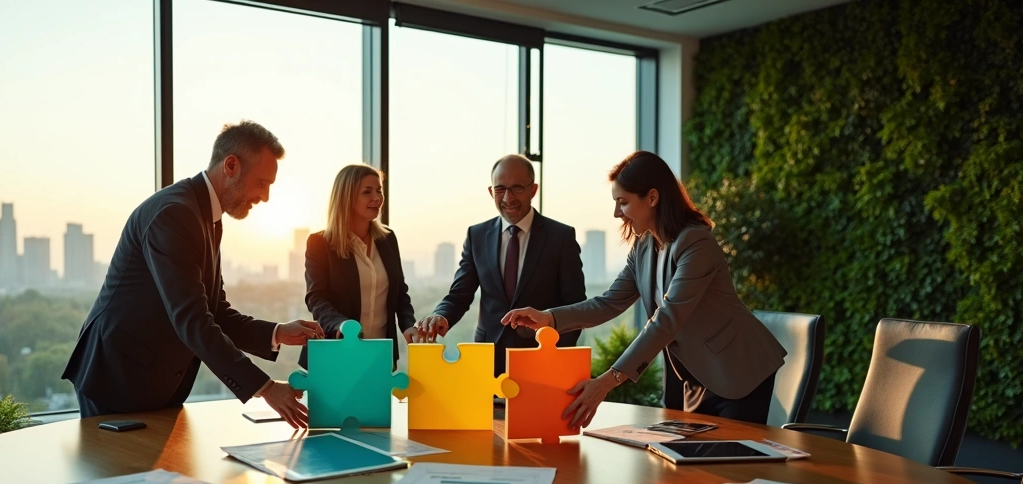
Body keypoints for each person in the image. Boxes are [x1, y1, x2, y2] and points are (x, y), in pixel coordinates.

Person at [62, 120, 323, 427]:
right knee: (123, 474)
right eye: (262, 183)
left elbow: (216, 312)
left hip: (152, 379)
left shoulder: (207, 217)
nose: (264, 197)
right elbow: (193, 320)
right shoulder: (175, 214)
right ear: (231, 165)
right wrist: (264, 388)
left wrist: (277, 332)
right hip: (118, 378)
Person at [502, 151, 786, 428]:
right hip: (694, 378)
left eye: (623, 202)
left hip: (736, 371)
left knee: (729, 467)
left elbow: (667, 319)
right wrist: (549, 318)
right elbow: (609, 302)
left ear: (652, 197)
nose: (617, 213)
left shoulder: (697, 244)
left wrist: (606, 382)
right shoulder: (644, 247)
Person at [414, 154, 587, 374]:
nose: (507, 198)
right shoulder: (477, 235)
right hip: (488, 359)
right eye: (500, 189)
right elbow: (460, 294)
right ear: (491, 191)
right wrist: (441, 315)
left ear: (533, 190)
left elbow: (576, 307)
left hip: (542, 359)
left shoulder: (560, 237)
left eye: (517, 188)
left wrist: (555, 354)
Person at [302, 164, 417, 366]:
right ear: (347, 197)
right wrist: (341, 325)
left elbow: (400, 293)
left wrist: (408, 325)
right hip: (335, 354)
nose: (378, 197)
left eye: (379, 190)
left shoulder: (388, 239)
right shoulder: (320, 243)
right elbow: (316, 298)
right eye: (367, 192)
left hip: (380, 356)